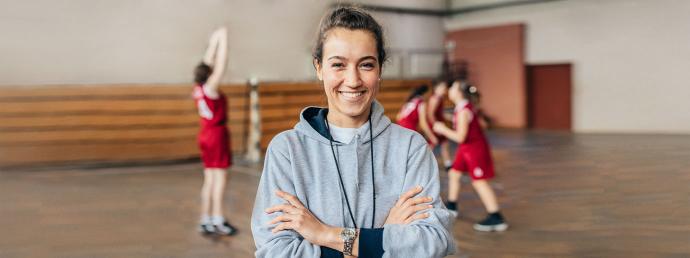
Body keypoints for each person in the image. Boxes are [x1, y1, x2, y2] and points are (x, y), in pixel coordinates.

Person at [251, 6, 455, 257]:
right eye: (338, 64)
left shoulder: (411, 148)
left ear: (380, 69)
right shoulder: (288, 150)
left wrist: (326, 234)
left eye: (366, 65)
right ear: (319, 68)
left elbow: (432, 242)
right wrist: (383, 237)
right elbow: (276, 250)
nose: (353, 80)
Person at [432, 81, 508, 232]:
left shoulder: (463, 110)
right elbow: (480, 125)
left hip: (474, 149)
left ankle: (496, 217)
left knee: (479, 182)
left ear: (459, 92)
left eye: (453, 87)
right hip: (466, 148)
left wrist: (442, 128)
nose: (450, 89)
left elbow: (460, 137)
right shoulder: (463, 107)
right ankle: (452, 206)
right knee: (454, 173)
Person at [193, 27, 237, 236]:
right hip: (216, 135)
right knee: (220, 179)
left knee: (209, 179)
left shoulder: (198, 88)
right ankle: (218, 219)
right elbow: (220, 65)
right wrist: (224, 39)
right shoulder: (210, 87)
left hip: (205, 134)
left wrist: (213, 41)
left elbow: (207, 63)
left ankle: (205, 218)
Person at [426, 79, 453, 170]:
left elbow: (440, 113)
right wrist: (435, 125)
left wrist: (450, 117)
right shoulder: (435, 98)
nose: (445, 89)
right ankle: (424, 163)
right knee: (432, 144)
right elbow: (430, 114)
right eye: (443, 87)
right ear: (437, 88)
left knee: (444, 144)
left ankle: (448, 163)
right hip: (436, 125)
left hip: (439, 124)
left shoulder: (440, 98)